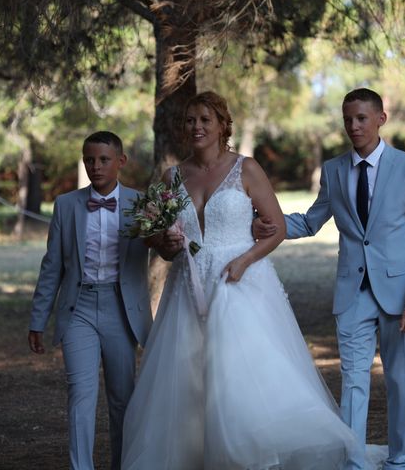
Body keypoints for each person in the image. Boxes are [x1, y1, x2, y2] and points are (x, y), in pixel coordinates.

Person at [121, 91, 380, 470]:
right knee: (187, 375)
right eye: (191, 120)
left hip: (239, 282)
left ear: (222, 125)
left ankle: (250, 456)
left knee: (243, 376)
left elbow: (274, 229)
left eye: (205, 120)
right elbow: (159, 246)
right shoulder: (171, 177)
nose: (197, 127)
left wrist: (245, 260)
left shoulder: (246, 169)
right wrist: (168, 241)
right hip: (187, 287)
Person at [254, 88, 405, 470]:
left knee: (399, 383)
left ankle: (399, 459)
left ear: (380, 119)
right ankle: (354, 462)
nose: (353, 126)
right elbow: (310, 220)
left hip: (400, 295)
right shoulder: (334, 171)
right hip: (352, 294)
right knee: (353, 382)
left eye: (361, 118)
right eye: (347, 119)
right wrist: (264, 224)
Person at [28, 131, 152, 470]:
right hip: (78, 309)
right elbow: (52, 266)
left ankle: (122, 465)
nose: (95, 166)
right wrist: (38, 319)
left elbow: (164, 249)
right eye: (89, 160)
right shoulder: (66, 205)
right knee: (80, 397)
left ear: (121, 162)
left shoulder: (143, 204)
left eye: (103, 160)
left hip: (121, 309)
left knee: (122, 399)